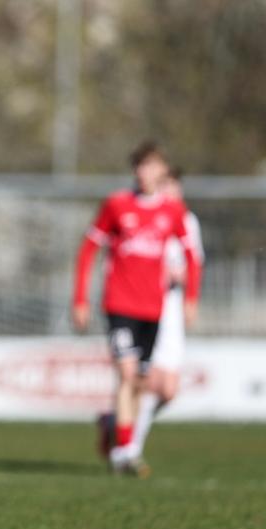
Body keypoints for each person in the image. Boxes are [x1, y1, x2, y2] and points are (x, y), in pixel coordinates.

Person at [73, 141, 201, 475]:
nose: (148, 173)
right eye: (142, 166)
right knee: (128, 374)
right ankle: (125, 452)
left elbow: (192, 258)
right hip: (119, 305)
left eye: (154, 166)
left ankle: (120, 434)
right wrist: (80, 299)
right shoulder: (117, 205)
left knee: (142, 382)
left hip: (154, 309)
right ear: (136, 170)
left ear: (163, 171)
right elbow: (88, 250)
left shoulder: (173, 213)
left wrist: (190, 299)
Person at [128, 168, 204, 462]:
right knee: (146, 381)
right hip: (146, 307)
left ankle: (116, 423)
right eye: (167, 188)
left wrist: (190, 298)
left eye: (176, 189)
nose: (173, 195)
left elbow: (195, 265)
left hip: (172, 310)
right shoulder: (147, 219)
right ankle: (131, 447)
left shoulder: (188, 222)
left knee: (169, 391)